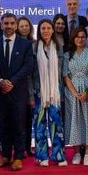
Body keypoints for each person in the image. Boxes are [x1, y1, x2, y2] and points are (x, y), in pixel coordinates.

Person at [0, 14, 34, 171]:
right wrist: (0, 82)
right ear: (1, 25)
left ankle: (18, 157)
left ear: (16, 25)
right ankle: (5, 155)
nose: (9, 26)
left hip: (19, 92)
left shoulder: (25, 44)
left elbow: (28, 66)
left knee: (19, 124)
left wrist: (12, 82)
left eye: (11, 23)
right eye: (6, 23)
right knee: (3, 124)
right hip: (1, 91)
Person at [63, 28, 88, 166]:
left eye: (83, 37)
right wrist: (74, 93)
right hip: (72, 94)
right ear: (73, 39)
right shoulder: (67, 55)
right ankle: (77, 152)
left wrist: (87, 91)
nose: (80, 39)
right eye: (77, 37)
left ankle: (87, 153)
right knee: (75, 121)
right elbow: (65, 76)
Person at [31, 19, 67, 166]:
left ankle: (58, 155)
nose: (45, 30)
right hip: (38, 92)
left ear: (53, 30)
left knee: (56, 123)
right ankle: (42, 156)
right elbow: (30, 72)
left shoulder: (60, 47)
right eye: (43, 28)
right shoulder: (33, 47)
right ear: (39, 31)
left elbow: (63, 71)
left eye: (48, 28)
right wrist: (30, 93)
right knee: (39, 124)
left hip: (55, 92)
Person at [17, 16, 36, 155]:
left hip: (33, 85)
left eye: (26, 25)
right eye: (21, 25)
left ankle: (28, 147)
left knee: (29, 119)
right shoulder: (15, 43)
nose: (24, 28)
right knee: (19, 120)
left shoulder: (35, 43)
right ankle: (19, 147)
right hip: (18, 85)